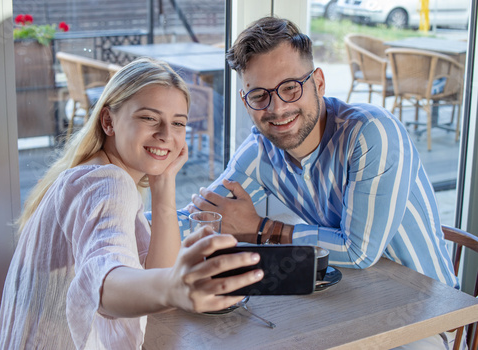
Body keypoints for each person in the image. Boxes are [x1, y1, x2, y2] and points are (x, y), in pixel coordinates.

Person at [179, 16, 462, 349]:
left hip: (424, 314)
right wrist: (119, 223)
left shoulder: (372, 133)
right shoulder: (260, 151)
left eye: (289, 88)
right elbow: (198, 220)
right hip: (344, 299)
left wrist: (261, 229)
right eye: (259, 95)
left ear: (319, 82)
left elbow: (358, 252)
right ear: (246, 102)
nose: (277, 108)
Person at [0, 57, 263, 349]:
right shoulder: (106, 183)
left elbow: (156, 276)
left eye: (178, 123)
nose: (165, 134)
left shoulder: (94, 173)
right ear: (108, 121)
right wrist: (172, 287)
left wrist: (164, 186)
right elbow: (103, 278)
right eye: (148, 118)